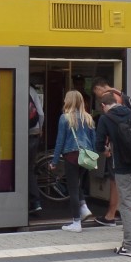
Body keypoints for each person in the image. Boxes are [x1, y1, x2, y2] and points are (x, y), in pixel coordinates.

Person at [95, 96, 131, 256]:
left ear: (104, 105)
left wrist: (107, 151)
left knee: (126, 205)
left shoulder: (105, 119)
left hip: (123, 167)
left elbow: (98, 144)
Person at [50, 89, 96, 232]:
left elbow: (60, 141)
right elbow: (93, 140)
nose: (64, 101)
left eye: (65, 99)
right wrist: (93, 157)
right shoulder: (88, 118)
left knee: (72, 189)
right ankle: (84, 207)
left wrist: (55, 161)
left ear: (69, 101)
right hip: (86, 156)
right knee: (77, 184)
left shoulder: (65, 118)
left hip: (71, 155)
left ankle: (76, 222)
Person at [91, 78, 125, 225]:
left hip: (116, 149)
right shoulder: (121, 95)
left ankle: (111, 215)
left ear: (100, 88)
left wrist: (105, 147)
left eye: (97, 93)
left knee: (114, 181)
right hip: (124, 148)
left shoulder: (112, 99)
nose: (99, 98)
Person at [27, 83, 45, 215]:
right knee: (29, 168)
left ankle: (35, 201)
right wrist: (40, 128)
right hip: (34, 134)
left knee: (24, 169)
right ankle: (34, 202)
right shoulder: (32, 90)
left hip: (21, 135)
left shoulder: (13, 85)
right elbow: (40, 113)